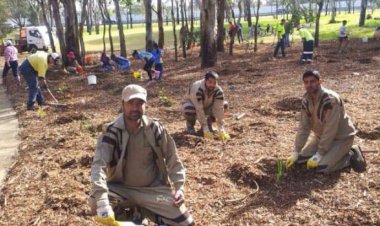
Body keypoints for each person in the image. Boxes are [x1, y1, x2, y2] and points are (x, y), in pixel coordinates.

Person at [89, 84, 194, 226]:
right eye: (130, 103)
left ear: (145, 105)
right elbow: (98, 165)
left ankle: (143, 213)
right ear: (122, 104)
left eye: (139, 103)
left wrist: (179, 187)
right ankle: (131, 215)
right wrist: (102, 200)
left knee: (186, 223)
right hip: (121, 189)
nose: (135, 108)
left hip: (153, 191)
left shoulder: (155, 128)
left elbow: (172, 158)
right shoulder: (112, 132)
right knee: (96, 202)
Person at [286, 70, 366, 174]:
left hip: (341, 138)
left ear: (320, 82)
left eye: (312, 81)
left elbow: (330, 128)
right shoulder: (306, 100)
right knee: (300, 160)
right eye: (306, 82)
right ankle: (330, 153)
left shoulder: (331, 100)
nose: (309, 85)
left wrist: (320, 153)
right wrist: (296, 151)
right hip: (321, 138)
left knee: (321, 167)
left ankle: (349, 155)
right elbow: (304, 127)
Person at [181, 71, 230, 141]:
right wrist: (205, 128)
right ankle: (190, 126)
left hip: (207, 106)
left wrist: (221, 128)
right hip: (193, 105)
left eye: (214, 82)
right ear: (205, 80)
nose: (212, 85)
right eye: (210, 82)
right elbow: (199, 108)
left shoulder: (218, 91)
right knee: (188, 109)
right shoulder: (197, 89)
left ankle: (209, 124)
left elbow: (219, 108)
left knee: (224, 105)